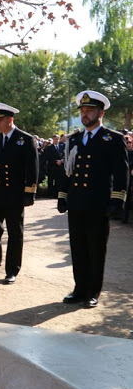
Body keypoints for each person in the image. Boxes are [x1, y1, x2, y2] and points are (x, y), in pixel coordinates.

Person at [57, 90, 129, 308]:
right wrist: (62, 195)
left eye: (90, 110)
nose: (85, 114)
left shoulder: (113, 139)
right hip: (77, 203)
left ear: (101, 113)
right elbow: (67, 171)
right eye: (83, 110)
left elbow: (121, 172)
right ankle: (79, 289)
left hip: (99, 204)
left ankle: (93, 292)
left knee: (96, 249)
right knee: (77, 248)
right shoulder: (75, 139)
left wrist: (117, 200)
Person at [0, 102, 38, 285]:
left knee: (15, 233)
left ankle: (12, 270)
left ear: (10, 120)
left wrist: (29, 193)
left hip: (15, 195)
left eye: (0, 119)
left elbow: (32, 169)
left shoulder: (25, 140)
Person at [44, 134, 64, 198]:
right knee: (50, 181)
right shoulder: (49, 147)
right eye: (55, 139)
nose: (56, 140)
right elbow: (48, 156)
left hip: (60, 166)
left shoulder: (62, 146)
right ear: (53, 140)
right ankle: (50, 194)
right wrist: (56, 161)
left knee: (58, 181)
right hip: (52, 166)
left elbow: (64, 154)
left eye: (57, 139)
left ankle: (56, 194)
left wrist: (61, 161)